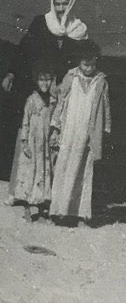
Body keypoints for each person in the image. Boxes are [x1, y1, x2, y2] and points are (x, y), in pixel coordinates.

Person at [3, 0, 88, 204]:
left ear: (70, 4)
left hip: (61, 93)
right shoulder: (41, 22)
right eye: (57, 3)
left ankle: (47, 194)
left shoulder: (79, 29)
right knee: (30, 136)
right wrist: (11, 73)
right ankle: (19, 191)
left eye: (64, 4)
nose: (60, 8)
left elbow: (84, 60)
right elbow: (23, 49)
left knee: (53, 139)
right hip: (39, 87)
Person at [49, 40, 111, 225]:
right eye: (85, 64)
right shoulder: (70, 77)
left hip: (87, 135)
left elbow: (106, 107)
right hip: (69, 132)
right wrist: (55, 127)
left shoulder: (101, 82)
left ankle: (80, 214)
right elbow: (60, 103)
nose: (89, 68)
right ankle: (58, 212)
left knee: (84, 172)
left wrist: (105, 130)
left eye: (92, 64)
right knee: (64, 169)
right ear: (79, 61)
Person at [12, 61, 57, 223]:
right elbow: (25, 122)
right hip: (32, 142)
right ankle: (27, 208)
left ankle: (43, 209)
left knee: (45, 173)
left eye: (48, 80)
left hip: (45, 145)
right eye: (41, 80)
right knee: (30, 174)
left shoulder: (53, 100)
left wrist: (54, 135)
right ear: (35, 81)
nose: (45, 84)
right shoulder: (31, 100)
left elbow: (55, 120)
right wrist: (24, 143)